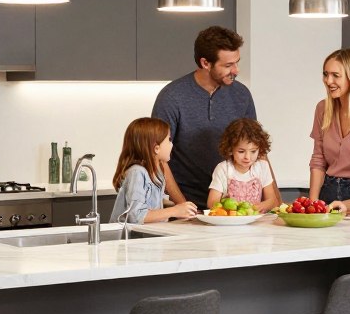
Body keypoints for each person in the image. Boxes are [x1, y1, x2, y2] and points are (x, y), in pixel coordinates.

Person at [151, 26, 257, 207]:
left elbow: (257, 147)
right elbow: (158, 158)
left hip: (234, 209)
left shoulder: (242, 95)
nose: (236, 70)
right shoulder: (172, 97)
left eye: (237, 62)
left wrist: (275, 200)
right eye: (228, 65)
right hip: (186, 204)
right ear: (205, 63)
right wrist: (183, 206)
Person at [308, 48, 350, 204]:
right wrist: (312, 203)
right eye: (326, 74)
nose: (328, 81)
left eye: (335, 75)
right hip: (328, 189)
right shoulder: (322, 109)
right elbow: (318, 159)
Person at [109, 117, 199, 224]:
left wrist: (179, 207)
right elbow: (137, 216)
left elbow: (151, 202)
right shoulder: (137, 172)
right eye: (169, 140)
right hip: (129, 238)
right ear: (156, 148)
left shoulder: (157, 173)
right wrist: (175, 210)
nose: (172, 144)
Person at [207, 118, 280, 214]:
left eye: (253, 151)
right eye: (241, 151)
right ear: (230, 149)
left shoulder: (262, 167)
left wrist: (259, 207)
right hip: (230, 223)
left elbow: (272, 201)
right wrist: (230, 209)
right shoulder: (223, 169)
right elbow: (211, 203)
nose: (247, 157)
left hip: (255, 222)